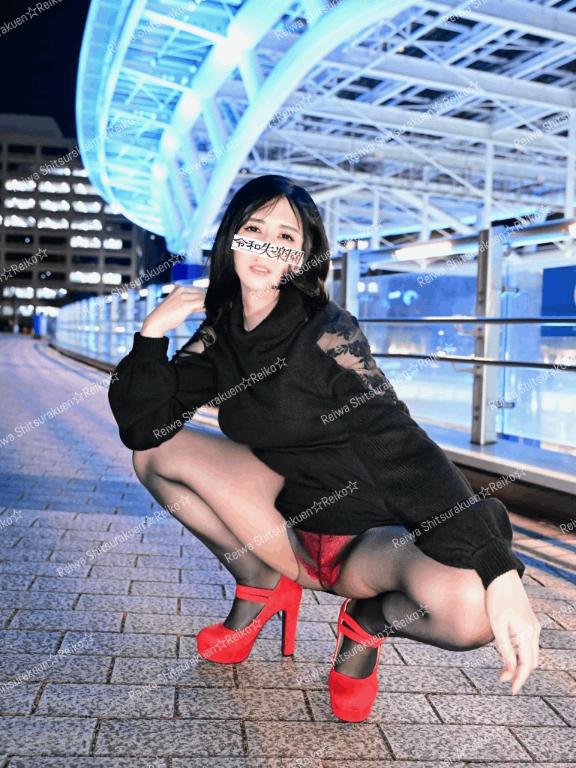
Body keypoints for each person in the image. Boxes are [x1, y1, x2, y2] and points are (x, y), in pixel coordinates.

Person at [108, 174, 540, 722]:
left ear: (301, 256)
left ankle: (365, 624)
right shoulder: (222, 330)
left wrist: (498, 571)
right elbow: (144, 428)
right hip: (282, 521)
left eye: (285, 237)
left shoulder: (327, 333)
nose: (266, 247)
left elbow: (399, 442)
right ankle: (260, 582)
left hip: (366, 538)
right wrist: (152, 334)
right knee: (154, 456)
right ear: (232, 239)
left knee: (470, 614)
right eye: (253, 230)